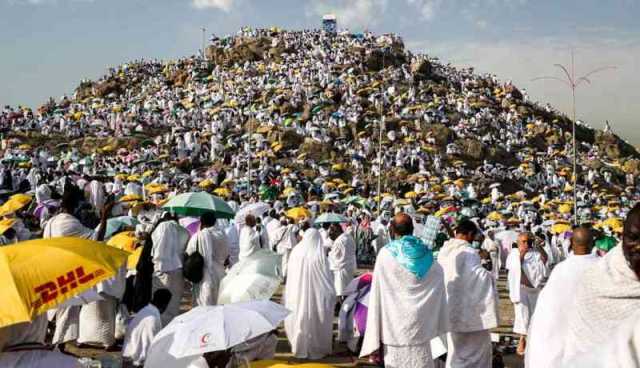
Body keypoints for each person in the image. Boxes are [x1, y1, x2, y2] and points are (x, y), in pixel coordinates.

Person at [361, 213, 448, 368]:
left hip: (394, 326)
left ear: (392, 230)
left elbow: (377, 291)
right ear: (413, 229)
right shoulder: (428, 256)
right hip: (422, 327)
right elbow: (439, 277)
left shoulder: (386, 254)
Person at [563, 204, 640, 362]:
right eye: (633, 238)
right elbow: (580, 350)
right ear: (622, 237)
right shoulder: (596, 281)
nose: (639, 246)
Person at [43, 185, 113, 352]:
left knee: (58, 311)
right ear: (75, 206)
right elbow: (96, 239)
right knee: (66, 312)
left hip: (50, 270)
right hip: (64, 273)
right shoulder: (68, 222)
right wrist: (104, 217)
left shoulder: (51, 221)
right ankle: (58, 347)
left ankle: (56, 345)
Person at [525, 226, 598, 368]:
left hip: (560, 341)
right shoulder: (602, 267)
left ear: (571, 243)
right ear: (593, 244)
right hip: (592, 342)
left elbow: (546, 310)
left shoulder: (561, 269)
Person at [437, 219, 498, 368]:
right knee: (475, 352)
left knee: (455, 351)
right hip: (469, 313)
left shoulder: (444, 252)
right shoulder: (469, 252)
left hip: (448, 308)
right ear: (469, 234)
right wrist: (487, 268)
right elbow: (478, 279)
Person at [284, 228, 336, 359]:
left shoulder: (296, 252)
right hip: (316, 297)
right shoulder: (319, 255)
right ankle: (316, 346)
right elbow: (327, 280)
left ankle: (298, 345)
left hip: (297, 295)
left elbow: (291, 276)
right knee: (316, 320)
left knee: (299, 317)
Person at [506, 232, 548, 355]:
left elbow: (545, 259)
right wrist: (522, 253)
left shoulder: (536, 252)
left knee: (535, 315)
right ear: (518, 243)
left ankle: (533, 340)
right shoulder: (514, 254)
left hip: (535, 288)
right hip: (522, 289)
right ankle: (522, 339)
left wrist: (539, 246)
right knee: (523, 316)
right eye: (523, 242)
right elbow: (514, 269)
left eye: (528, 241)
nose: (526, 244)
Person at [150, 212, 189, 325]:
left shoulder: (163, 226)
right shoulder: (184, 231)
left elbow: (158, 249)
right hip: (178, 272)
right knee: (173, 306)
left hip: (162, 271)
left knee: (160, 307)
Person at [185, 212, 230, 306]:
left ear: (201, 222)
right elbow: (226, 254)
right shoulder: (222, 235)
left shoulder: (198, 236)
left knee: (204, 305)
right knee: (219, 303)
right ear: (214, 222)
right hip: (220, 273)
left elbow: (189, 252)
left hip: (203, 275)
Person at [122, 289, 172, 368]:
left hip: (129, 356)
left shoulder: (145, 310)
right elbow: (151, 346)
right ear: (165, 305)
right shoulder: (153, 319)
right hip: (135, 362)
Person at [328, 222, 357, 299]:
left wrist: (329, 252)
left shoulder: (339, 241)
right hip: (350, 268)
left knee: (340, 292)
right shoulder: (349, 237)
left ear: (336, 230)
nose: (330, 234)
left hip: (341, 270)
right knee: (348, 291)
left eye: (331, 231)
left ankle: (342, 309)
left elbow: (334, 256)